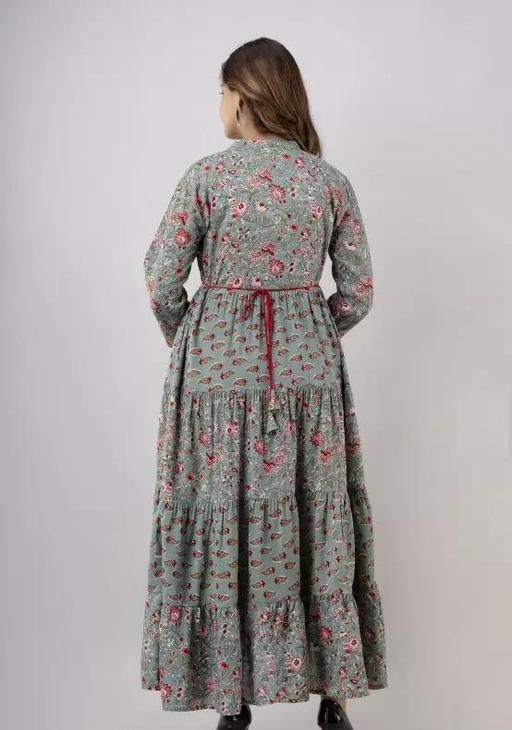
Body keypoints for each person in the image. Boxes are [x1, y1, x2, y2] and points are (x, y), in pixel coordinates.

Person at [140, 36, 388, 730]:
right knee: (314, 512)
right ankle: (333, 699)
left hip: (214, 380)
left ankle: (234, 702)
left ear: (244, 98)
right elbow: (359, 293)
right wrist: (310, 332)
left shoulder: (206, 179)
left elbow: (161, 279)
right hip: (309, 378)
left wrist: (194, 341)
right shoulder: (329, 183)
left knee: (224, 511)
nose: (218, 104)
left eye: (222, 91)